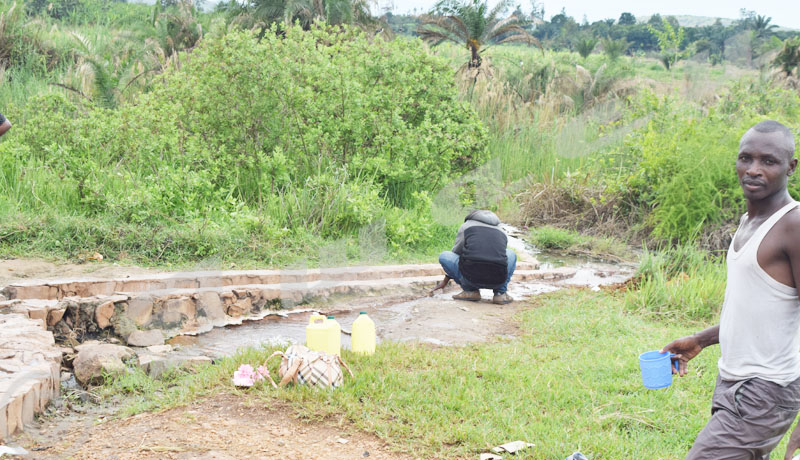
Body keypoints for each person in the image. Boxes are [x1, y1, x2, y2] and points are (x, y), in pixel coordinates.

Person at [661, 120, 800, 460]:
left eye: (768, 161)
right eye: (745, 158)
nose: (753, 170)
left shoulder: (793, 226)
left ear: (790, 167)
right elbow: (757, 311)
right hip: (733, 381)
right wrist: (700, 340)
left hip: (768, 389)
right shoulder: (747, 223)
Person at [430, 209, 516, 304]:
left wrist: (445, 281)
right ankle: (500, 293)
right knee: (511, 254)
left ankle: (471, 291)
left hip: (470, 278)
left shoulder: (466, 226)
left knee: (444, 256)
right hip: (497, 279)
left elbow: (456, 254)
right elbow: (501, 258)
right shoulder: (502, 231)